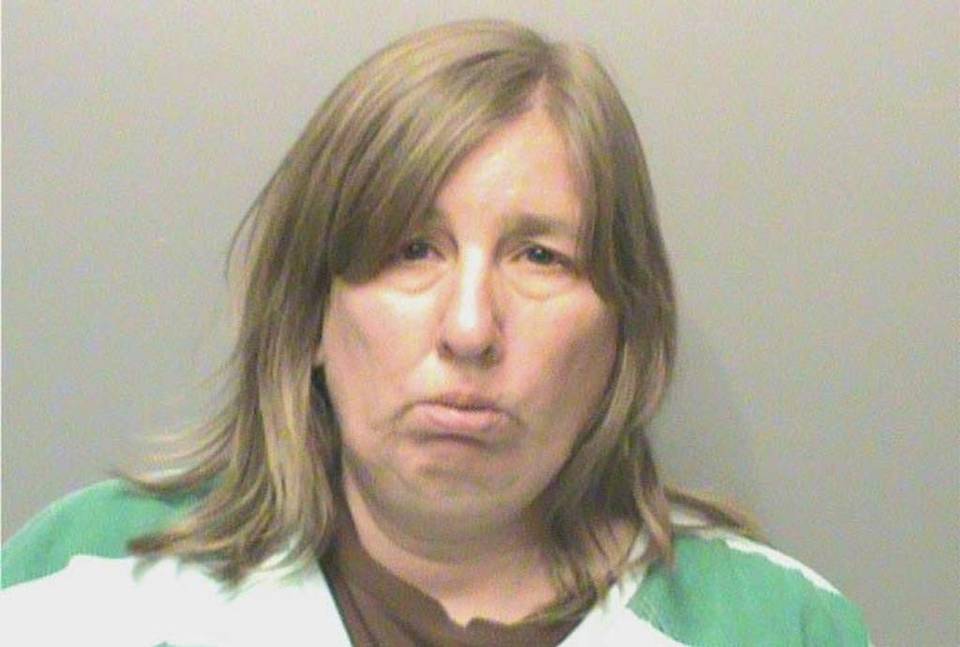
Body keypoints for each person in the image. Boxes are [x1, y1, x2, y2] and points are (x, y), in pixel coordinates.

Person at [1, 19, 869, 646]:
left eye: (540, 257)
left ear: (621, 334)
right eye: (411, 249)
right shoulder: (81, 582)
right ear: (310, 315)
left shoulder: (778, 626)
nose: (469, 328)